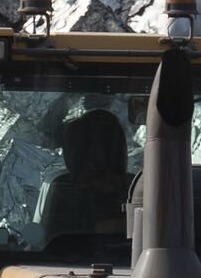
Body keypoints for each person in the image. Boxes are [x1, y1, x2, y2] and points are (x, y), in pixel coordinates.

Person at [33, 107, 130, 255]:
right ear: (121, 149)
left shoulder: (63, 189)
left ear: (73, 153)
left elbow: (44, 245)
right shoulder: (138, 188)